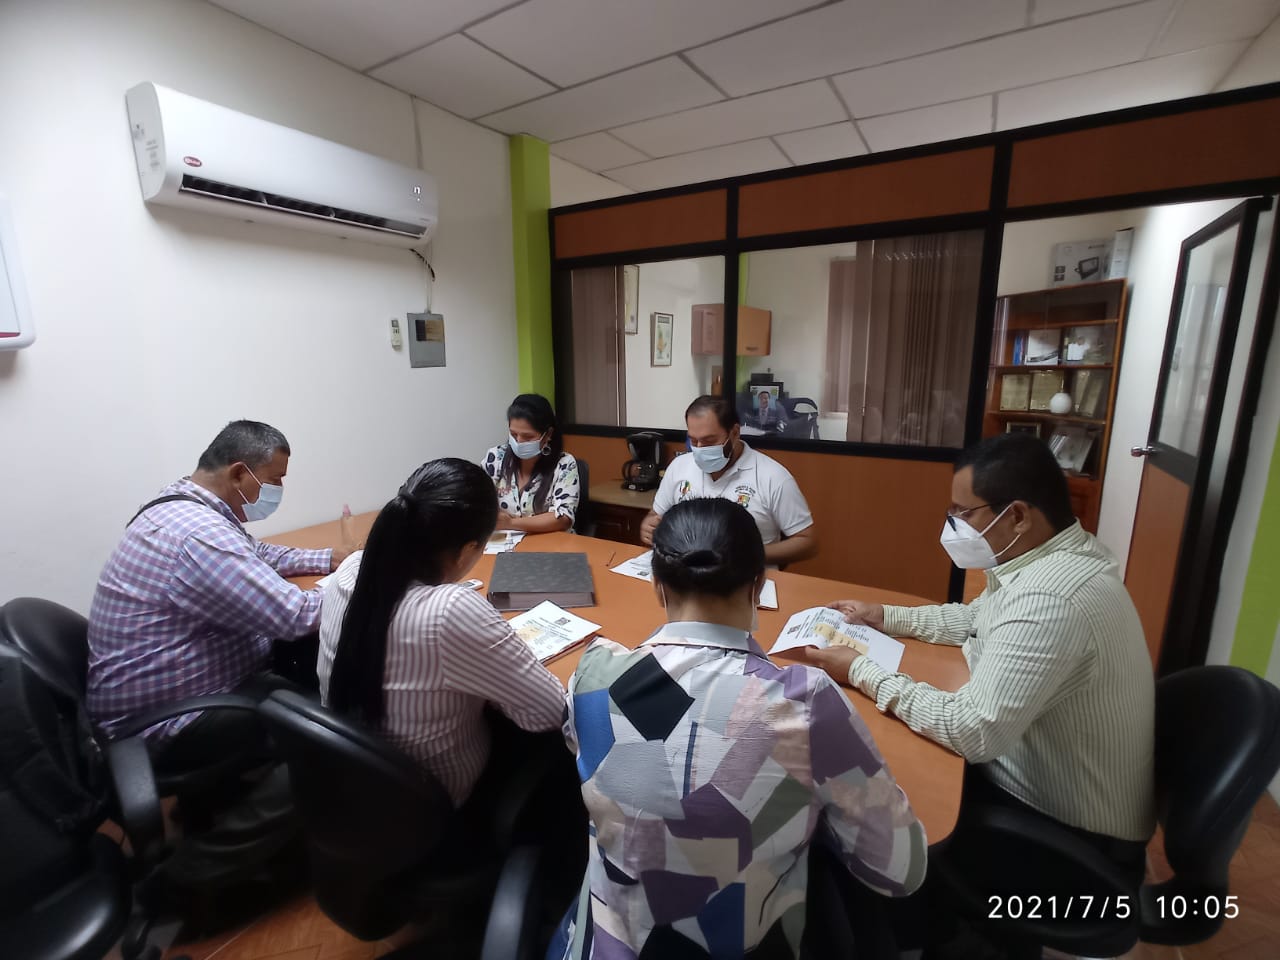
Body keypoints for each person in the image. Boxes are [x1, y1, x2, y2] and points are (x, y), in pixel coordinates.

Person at [555, 498, 925, 959]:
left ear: (656, 586)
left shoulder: (594, 676)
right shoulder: (804, 703)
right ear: (758, 586)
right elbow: (898, 870)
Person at [804, 432, 1155, 885]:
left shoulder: (1050, 597)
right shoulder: (1053, 555)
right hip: (1034, 782)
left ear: (1018, 516)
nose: (952, 525)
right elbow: (977, 619)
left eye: (962, 513)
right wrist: (885, 616)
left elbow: (970, 731)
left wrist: (858, 669)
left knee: (854, 815)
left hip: (1063, 837)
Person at [88, 419, 350, 756]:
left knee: (305, 657)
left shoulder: (181, 504)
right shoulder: (198, 534)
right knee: (329, 713)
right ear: (239, 473)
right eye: (274, 480)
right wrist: (357, 579)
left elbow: (255, 552)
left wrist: (329, 558)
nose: (278, 490)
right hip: (164, 723)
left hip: (169, 695)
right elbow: (296, 617)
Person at [318, 457, 565, 807]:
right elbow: (551, 712)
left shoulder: (350, 570)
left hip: (344, 782)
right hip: (428, 804)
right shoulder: (450, 611)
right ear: (468, 550)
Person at [640, 395, 818, 566]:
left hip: (747, 576)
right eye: (693, 441)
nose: (699, 450)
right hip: (685, 573)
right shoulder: (679, 467)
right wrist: (648, 526)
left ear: (734, 433)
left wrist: (748, 555)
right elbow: (655, 515)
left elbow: (807, 542)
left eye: (709, 441)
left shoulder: (773, 477)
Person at [481, 393, 581, 534]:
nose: (519, 442)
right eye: (513, 434)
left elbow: (563, 518)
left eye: (528, 437)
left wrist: (510, 523)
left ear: (548, 434)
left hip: (551, 542)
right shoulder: (496, 457)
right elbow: (478, 503)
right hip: (504, 542)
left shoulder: (564, 464)